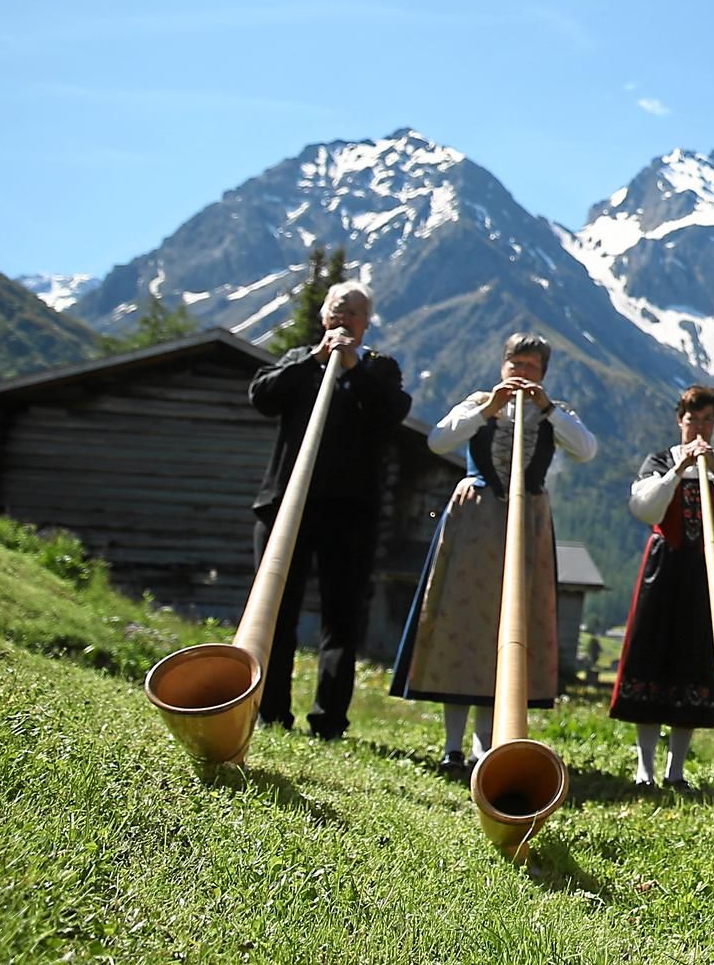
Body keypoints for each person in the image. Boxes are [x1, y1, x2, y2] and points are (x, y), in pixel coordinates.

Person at [389, 332, 597, 769]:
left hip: (528, 521)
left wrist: (547, 408)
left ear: (543, 374)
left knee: (508, 629)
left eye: (531, 368)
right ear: (502, 366)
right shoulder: (478, 402)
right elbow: (439, 441)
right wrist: (489, 409)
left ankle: (489, 746)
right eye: (515, 365)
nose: (521, 374)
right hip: (476, 518)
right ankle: (452, 747)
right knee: (459, 622)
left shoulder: (552, 413)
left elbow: (586, 450)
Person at [244, 280, 412, 740]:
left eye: (353, 312)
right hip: (284, 509)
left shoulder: (379, 369)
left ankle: (329, 721)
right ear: (324, 318)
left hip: (350, 514)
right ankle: (270, 710)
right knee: (276, 612)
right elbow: (262, 396)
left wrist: (352, 367)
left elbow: (391, 412)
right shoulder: (299, 361)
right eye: (337, 311)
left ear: (366, 323)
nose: (343, 318)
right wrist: (318, 359)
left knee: (342, 620)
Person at [607, 384, 714, 787]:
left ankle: (675, 771)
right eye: (693, 420)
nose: (699, 429)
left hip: (706, 569)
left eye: (707, 421)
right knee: (651, 654)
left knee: (695, 660)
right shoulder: (658, 461)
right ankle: (645, 768)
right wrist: (677, 471)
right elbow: (645, 507)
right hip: (665, 565)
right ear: (680, 420)